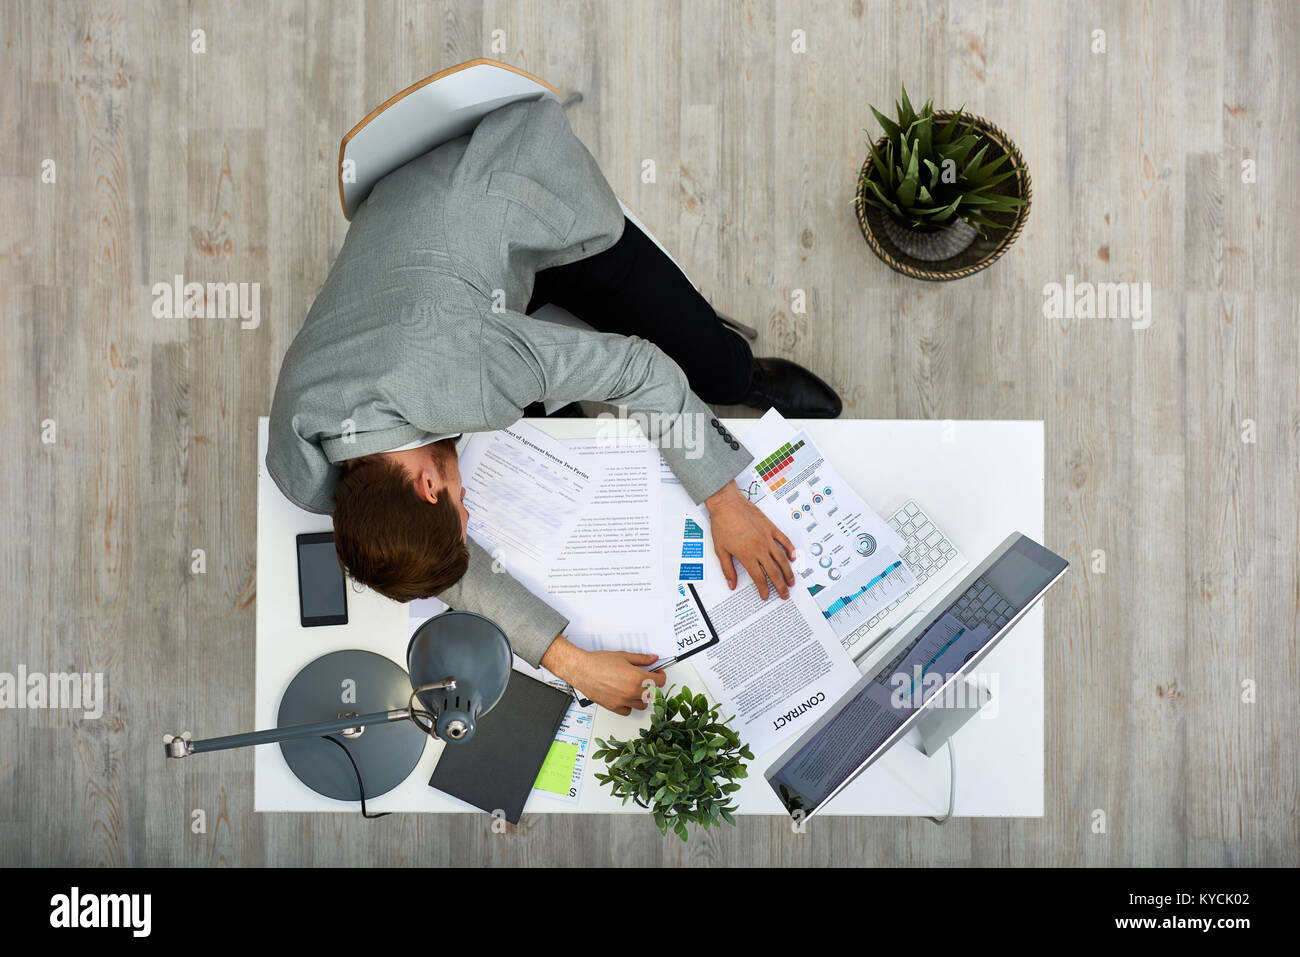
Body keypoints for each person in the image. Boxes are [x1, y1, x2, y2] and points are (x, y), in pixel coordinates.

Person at [267, 96, 841, 714]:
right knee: (567, 441)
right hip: (413, 247)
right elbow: (443, 564)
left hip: (508, 190)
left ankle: (743, 378)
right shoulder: (302, 466)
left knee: (704, 364)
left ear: (428, 483)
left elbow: (640, 368)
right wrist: (572, 663)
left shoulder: (471, 377)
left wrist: (724, 500)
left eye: (462, 509)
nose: (470, 510)